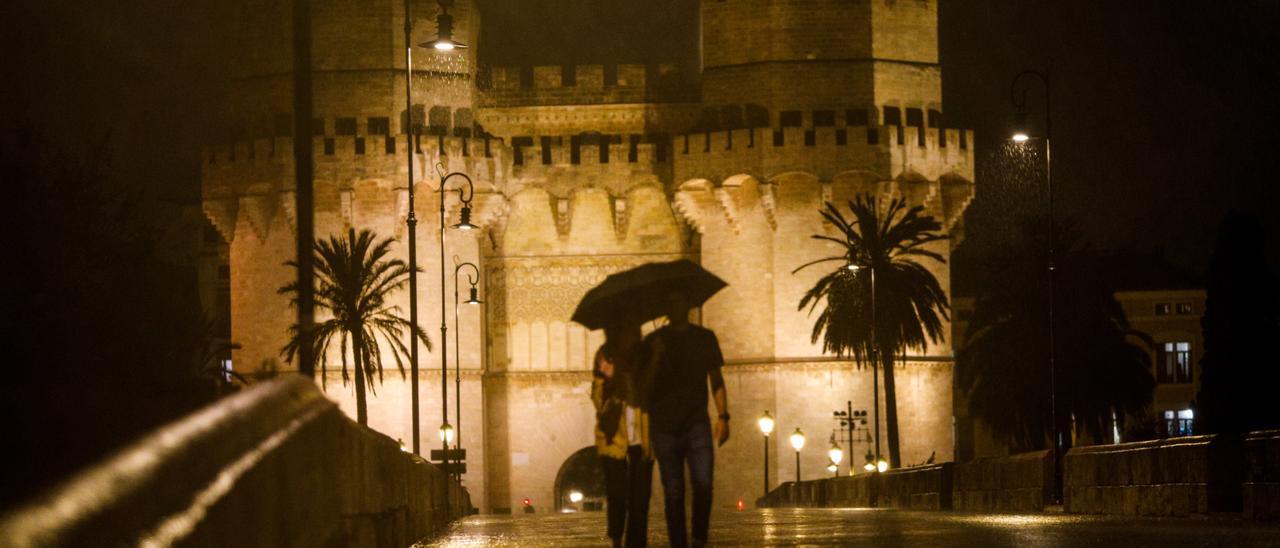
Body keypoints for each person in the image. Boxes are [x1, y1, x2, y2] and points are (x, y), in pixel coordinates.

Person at [646, 291, 728, 548]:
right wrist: (655, 356)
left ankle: (699, 539)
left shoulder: (704, 338)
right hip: (664, 427)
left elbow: (716, 379)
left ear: (688, 304)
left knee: (704, 484)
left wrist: (723, 416)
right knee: (673, 492)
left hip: (697, 423)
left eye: (680, 300)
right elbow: (644, 386)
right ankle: (679, 543)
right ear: (667, 308)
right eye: (672, 301)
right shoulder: (653, 341)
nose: (677, 305)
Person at [592, 319, 658, 548]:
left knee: (640, 499)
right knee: (617, 494)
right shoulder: (605, 356)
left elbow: (655, 391)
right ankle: (617, 542)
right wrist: (608, 379)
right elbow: (597, 399)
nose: (633, 332)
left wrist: (656, 358)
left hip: (644, 436)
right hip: (613, 437)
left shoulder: (647, 356)